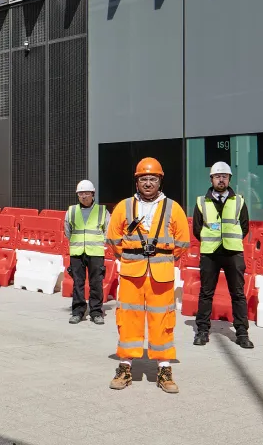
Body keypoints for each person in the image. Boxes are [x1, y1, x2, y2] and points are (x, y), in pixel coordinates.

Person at [106, 158, 190, 394]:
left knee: (162, 321)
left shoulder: (173, 208)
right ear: (137, 181)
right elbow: (113, 238)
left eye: (153, 179)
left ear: (160, 181)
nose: (148, 183)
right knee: (128, 320)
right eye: (144, 179)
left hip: (161, 275)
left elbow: (183, 241)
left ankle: (164, 370)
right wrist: (132, 255)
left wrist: (162, 257)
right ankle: (125, 368)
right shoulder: (124, 206)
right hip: (132, 273)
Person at [192, 162, 254, 349]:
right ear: (211, 179)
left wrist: (230, 241)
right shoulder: (201, 201)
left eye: (224, 176)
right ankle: (202, 331)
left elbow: (244, 226)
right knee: (206, 293)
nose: (221, 179)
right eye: (217, 176)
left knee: (237, 294)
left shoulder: (239, 201)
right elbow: (197, 229)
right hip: (210, 253)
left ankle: (242, 333)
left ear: (229, 179)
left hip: (233, 252)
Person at [65, 180, 108, 325]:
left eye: (87, 193)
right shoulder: (71, 211)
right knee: (78, 283)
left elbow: (108, 230)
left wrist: (102, 243)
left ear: (93, 194)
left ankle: (96, 312)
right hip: (77, 252)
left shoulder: (102, 211)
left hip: (96, 252)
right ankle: (77, 311)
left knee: (96, 283)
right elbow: (67, 231)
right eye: (81, 193)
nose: (84, 196)